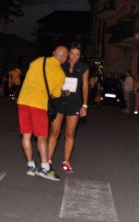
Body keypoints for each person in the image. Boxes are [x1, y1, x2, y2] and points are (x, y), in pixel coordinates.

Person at [17, 46, 68, 181]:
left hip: (23, 100)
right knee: (41, 137)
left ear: (53, 54)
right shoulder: (60, 73)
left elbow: (31, 71)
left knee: (26, 135)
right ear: (64, 59)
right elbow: (56, 94)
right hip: (39, 104)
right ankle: (45, 168)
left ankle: (30, 166)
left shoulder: (39, 60)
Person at [48, 42, 89, 174]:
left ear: (80, 55)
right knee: (54, 132)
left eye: (77, 54)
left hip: (74, 103)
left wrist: (84, 105)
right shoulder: (60, 64)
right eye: (72, 54)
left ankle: (66, 162)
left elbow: (85, 87)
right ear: (68, 54)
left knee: (70, 134)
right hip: (59, 101)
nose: (74, 57)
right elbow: (53, 81)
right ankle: (47, 161)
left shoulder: (84, 67)